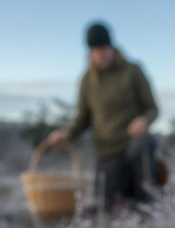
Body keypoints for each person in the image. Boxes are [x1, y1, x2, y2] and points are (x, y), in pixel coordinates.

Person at [48, 21, 159, 213]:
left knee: (143, 145)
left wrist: (143, 121)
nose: (101, 54)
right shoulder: (87, 80)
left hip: (132, 144)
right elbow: (82, 117)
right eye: (96, 50)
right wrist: (67, 134)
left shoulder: (133, 71)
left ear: (112, 47)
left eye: (105, 49)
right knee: (105, 208)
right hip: (106, 152)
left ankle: (150, 208)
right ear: (90, 52)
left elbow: (152, 109)